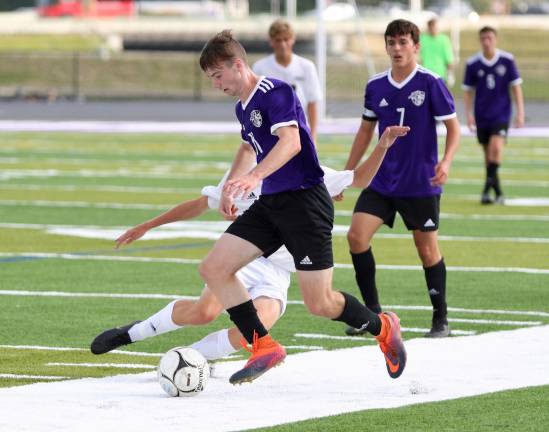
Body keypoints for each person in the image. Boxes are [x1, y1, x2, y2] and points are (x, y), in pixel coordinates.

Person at [197, 29, 408, 385]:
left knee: (320, 303)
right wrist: (237, 187)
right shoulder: (242, 109)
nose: (217, 85)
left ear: (237, 65)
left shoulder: (275, 91)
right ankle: (263, 345)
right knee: (214, 268)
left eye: (218, 75)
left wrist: (254, 177)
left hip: (306, 205)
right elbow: (260, 154)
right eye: (211, 79)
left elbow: (291, 143)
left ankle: (383, 326)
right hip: (271, 204)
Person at [90, 143, 405, 363]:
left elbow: (359, 179)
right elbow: (201, 204)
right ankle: (131, 333)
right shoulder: (242, 176)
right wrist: (148, 224)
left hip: (280, 269)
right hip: (243, 259)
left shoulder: (305, 171)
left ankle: (189, 359)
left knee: (257, 328)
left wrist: (384, 145)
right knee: (204, 312)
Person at [343, 19, 460, 339]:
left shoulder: (431, 82)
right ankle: (372, 317)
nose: (397, 48)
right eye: (391, 43)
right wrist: (347, 174)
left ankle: (441, 320)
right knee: (356, 237)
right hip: (381, 181)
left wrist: (446, 161)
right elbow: (366, 130)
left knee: (426, 250)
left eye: (403, 42)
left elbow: (453, 128)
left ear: (416, 46)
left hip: (420, 182)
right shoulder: (376, 85)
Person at [462, 26, 524, 205]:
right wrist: (469, 115)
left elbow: (516, 87)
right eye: (483, 38)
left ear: (495, 39)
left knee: (496, 149)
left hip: (501, 114)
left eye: (490, 38)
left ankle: (485, 190)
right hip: (482, 115)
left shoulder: (507, 60)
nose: (486, 41)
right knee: (488, 156)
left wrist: (520, 113)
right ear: (480, 41)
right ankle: (497, 192)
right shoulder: (473, 63)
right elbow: (468, 91)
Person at [253, 19, 322, 144]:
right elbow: (255, 104)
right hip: (271, 131)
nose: (283, 44)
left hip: (300, 129)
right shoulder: (260, 67)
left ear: (293, 39)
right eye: (278, 40)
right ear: (271, 41)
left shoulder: (307, 66)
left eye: (286, 39)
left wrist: (313, 137)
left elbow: (312, 103)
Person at [419, 16, 455, 87]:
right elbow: (418, 56)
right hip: (425, 74)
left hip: (440, 75)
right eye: (431, 27)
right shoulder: (422, 39)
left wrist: (450, 74)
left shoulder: (444, 40)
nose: (433, 29)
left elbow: (449, 59)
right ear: (428, 27)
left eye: (434, 27)